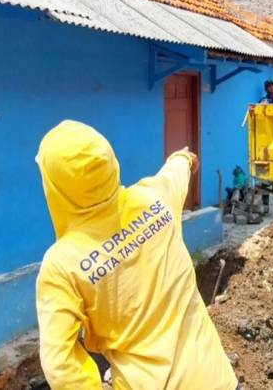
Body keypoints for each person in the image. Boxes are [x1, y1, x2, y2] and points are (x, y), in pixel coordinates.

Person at [35, 120, 237, 390]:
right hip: (215, 379)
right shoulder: (155, 199)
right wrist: (184, 158)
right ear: (111, 164)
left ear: (54, 186)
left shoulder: (61, 265)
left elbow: (60, 365)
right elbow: (175, 171)